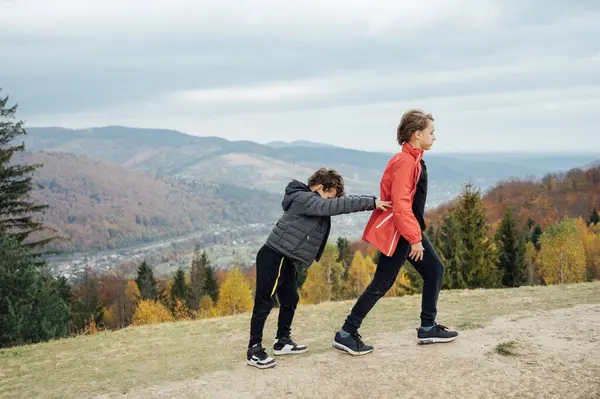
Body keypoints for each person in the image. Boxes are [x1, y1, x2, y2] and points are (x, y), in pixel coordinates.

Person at [333, 109, 459, 356]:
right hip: (402, 232)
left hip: (409, 229)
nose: (435, 137)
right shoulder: (405, 162)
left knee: (434, 271)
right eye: (431, 132)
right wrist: (414, 239)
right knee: (382, 283)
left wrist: (415, 234)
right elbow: (401, 204)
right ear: (416, 134)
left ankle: (427, 327)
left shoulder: (414, 160)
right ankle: (346, 333)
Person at [247, 168, 391, 368]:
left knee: (290, 298)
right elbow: (338, 206)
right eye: (330, 196)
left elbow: (332, 206)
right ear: (322, 188)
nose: (330, 202)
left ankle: (282, 341)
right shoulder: (304, 198)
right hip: (274, 255)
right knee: (264, 302)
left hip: (286, 258)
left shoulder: (309, 200)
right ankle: (254, 349)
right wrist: (372, 202)